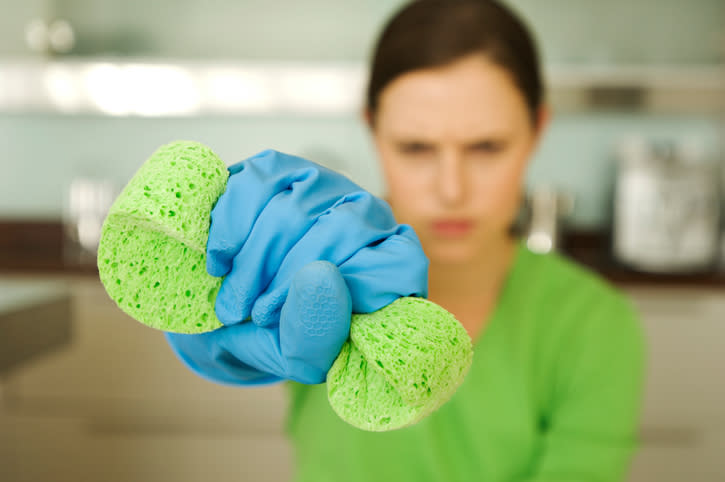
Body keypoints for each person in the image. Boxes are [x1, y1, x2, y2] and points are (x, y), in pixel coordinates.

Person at [166, 1, 645, 481]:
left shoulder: (592, 324)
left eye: (486, 147)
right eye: (417, 148)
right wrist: (213, 323)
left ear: (537, 130)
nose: (451, 190)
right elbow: (220, 329)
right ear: (372, 129)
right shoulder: (321, 267)